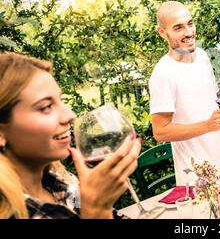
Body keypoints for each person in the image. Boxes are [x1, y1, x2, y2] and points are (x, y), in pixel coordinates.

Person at [0, 53, 141, 219]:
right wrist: (96, 211)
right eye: (46, 107)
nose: (70, 115)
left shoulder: (62, 181)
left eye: (61, 100)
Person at [149, 1, 220, 185]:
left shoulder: (202, 56)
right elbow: (160, 131)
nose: (188, 32)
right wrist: (207, 126)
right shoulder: (163, 73)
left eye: (190, 23)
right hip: (199, 178)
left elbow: (213, 107)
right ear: (162, 32)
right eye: (178, 27)